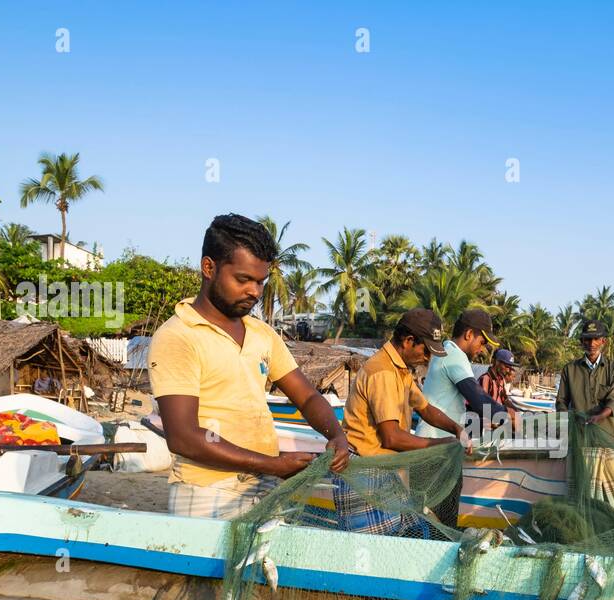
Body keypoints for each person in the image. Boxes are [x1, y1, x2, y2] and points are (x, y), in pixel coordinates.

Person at [149, 213, 350, 520]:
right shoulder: (178, 335)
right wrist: (272, 463)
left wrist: (335, 434)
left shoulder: (261, 333)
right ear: (208, 268)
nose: (255, 291)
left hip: (264, 484)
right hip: (208, 491)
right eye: (243, 279)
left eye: (261, 281)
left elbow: (307, 397)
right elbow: (183, 435)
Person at [338, 308, 465, 535]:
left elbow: (425, 409)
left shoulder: (402, 370)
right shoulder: (383, 372)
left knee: (404, 534)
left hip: (385, 471)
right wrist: (442, 445)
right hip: (363, 474)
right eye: (426, 352)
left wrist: (455, 429)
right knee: (371, 549)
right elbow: (391, 437)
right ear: (408, 341)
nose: (428, 359)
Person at [415, 308, 509, 526]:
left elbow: (457, 405)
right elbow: (477, 398)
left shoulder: (447, 352)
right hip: (436, 452)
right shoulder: (454, 355)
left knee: (436, 521)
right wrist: (508, 418)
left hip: (441, 447)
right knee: (439, 522)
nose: (482, 349)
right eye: (482, 342)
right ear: (468, 334)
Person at [555, 317, 614, 521]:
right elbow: (561, 402)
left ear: (603, 341)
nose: (591, 344)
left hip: (606, 440)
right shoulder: (569, 369)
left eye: (595, 339)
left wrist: (599, 417)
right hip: (579, 443)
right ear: (581, 341)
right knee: (581, 496)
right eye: (587, 339)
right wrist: (567, 418)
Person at [477, 348, 521, 435]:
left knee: (516, 419)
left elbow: (505, 399)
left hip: (496, 418)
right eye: (506, 366)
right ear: (497, 362)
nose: (508, 370)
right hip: (484, 422)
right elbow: (482, 405)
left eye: (510, 367)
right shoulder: (486, 379)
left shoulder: (500, 379)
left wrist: (516, 410)